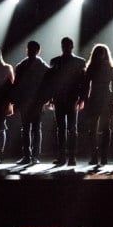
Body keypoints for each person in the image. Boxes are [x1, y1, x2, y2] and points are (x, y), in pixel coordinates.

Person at [47, 37, 86, 166]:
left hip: (68, 98)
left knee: (65, 129)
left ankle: (66, 156)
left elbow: (51, 81)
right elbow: (83, 82)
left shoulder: (56, 61)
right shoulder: (79, 62)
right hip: (68, 98)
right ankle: (69, 157)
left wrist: (82, 98)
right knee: (68, 129)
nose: (65, 47)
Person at [11, 41, 50, 165]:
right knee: (33, 129)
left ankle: (29, 156)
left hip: (31, 102)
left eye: (31, 49)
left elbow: (17, 85)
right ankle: (32, 156)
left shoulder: (22, 65)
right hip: (33, 102)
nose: (29, 51)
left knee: (29, 129)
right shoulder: (42, 66)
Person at [83, 44, 113, 165]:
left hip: (99, 99)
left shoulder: (92, 68)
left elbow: (87, 86)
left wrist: (86, 101)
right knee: (97, 129)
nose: (100, 55)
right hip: (102, 98)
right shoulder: (109, 69)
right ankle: (100, 156)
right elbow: (86, 86)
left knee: (98, 129)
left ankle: (99, 156)